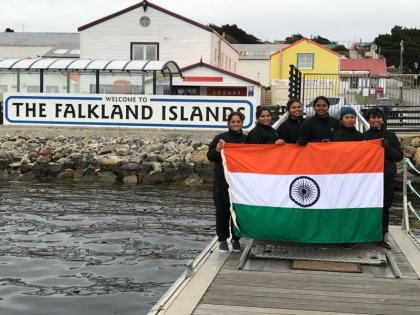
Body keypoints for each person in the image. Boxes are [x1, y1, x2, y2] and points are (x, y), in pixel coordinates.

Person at [207, 111, 248, 252]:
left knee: (237, 211)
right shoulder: (220, 138)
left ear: (242, 122)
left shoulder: (246, 139)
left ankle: (236, 239)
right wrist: (218, 149)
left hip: (239, 183)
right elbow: (210, 157)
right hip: (222, 181)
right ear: (228, 123)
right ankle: (222, 239)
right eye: (233, 122)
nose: (236, 124)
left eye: (238, 121)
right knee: (222, 210)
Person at [363, 108, 403, 249]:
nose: (376, 120)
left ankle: (382, 236)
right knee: (369, 206)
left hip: (386, 176)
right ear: (368, 120)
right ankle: (367, 234)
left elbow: (399, 156)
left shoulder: (391, 135)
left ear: (383, 119)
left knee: (385, 206)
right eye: (373, 118)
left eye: (379, 117)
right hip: (370, 179)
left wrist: (387, 148)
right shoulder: (364, 137)